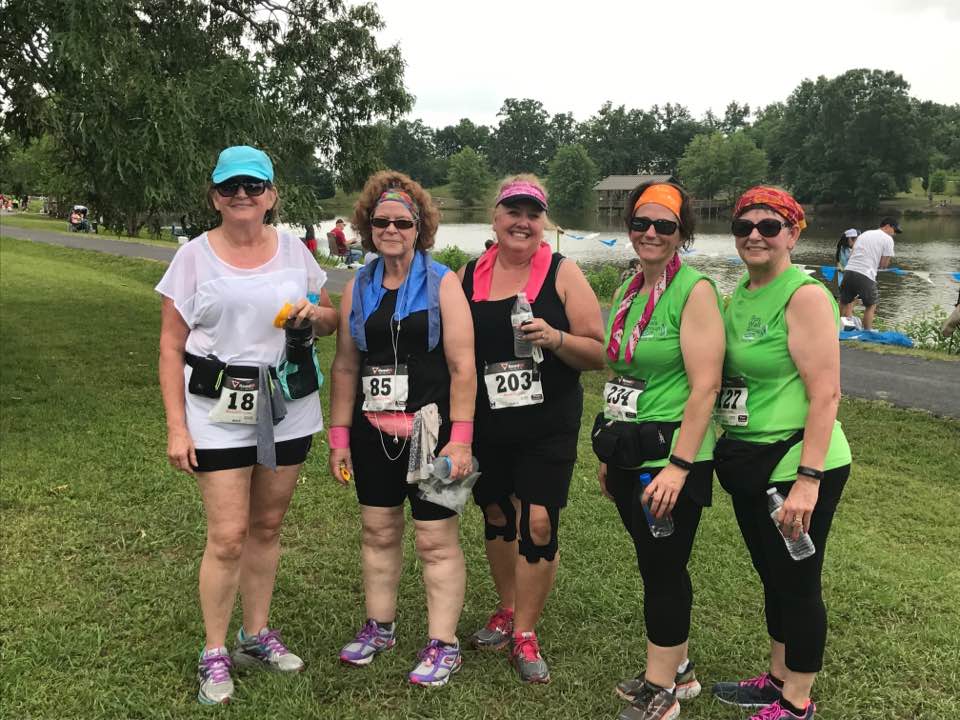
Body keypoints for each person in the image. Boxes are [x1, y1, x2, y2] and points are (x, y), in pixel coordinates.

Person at [157, 145, 338, 704]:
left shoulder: (295, 251)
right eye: (230, 186)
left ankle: (255, 634)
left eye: (253, 186)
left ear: (271, 196)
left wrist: (316, 314)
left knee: (267, 527)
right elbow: (170, 346)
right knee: (228, 535)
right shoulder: (192, 257)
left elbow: (329, 318)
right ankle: (214, 651)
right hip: (217, 411)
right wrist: (176, 427)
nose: (242, 195)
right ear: (214, 196)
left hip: (287, 407)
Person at [327, 171, 477, 687]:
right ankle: (380, 626)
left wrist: (462, 438)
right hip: (372, 431)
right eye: (381, 221)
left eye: (402, 222)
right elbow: (345, 366)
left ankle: (443, 643)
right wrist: (339, 437)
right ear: (368, 227)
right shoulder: (358, 285)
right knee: (378, 531)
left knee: (436, 539)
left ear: (419, 228)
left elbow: (463, 366)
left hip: (434, 434)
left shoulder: (443, 283)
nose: (391, 229)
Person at [711, 187, 852, 720]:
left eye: (769, 226)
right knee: (772, 574)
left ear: (793, 234)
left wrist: (808, 480)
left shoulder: (805, 295)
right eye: (744, 226)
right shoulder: (742, 294)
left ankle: (797, 702)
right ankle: (776, 679)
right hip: (751, 459)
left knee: (797, 583)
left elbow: (827, 393)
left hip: (799, 463)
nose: (755, 236)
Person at [458, 175, 605, 683]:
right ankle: (506, 609)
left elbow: (598, 352)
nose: (522, 222)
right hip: (488, 422)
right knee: (498, 515)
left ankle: (525, 630)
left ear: (544, 222)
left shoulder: (563, 272)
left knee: (538, 523)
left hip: (547, 424)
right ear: (495, 217)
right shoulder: (468, 275)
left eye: (532, 214)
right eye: (513, 212)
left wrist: (556, 336)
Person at [597, 181, 724, 720]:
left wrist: (679, 466)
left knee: (664, 570)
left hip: (670, 459)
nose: (650, 233)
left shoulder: (695, 291)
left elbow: (706, 387)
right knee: (655, 566)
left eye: (664, 225)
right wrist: (610, 455)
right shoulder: (630, 288)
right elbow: (622, 372)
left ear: (681, 233)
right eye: (640, 223)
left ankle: (660, 691)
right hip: (631, 450)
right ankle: (682, 671)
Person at [838, 217, 899, 329]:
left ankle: (834, 328)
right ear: (888, 226)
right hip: (866, 273)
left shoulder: (864, 234)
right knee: (871, 305)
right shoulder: (888, 239)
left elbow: (852, 254)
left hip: (849, 270)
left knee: (843, 301)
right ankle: (867, 333)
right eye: (894, 230)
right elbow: (883, 265)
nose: (894, 234)